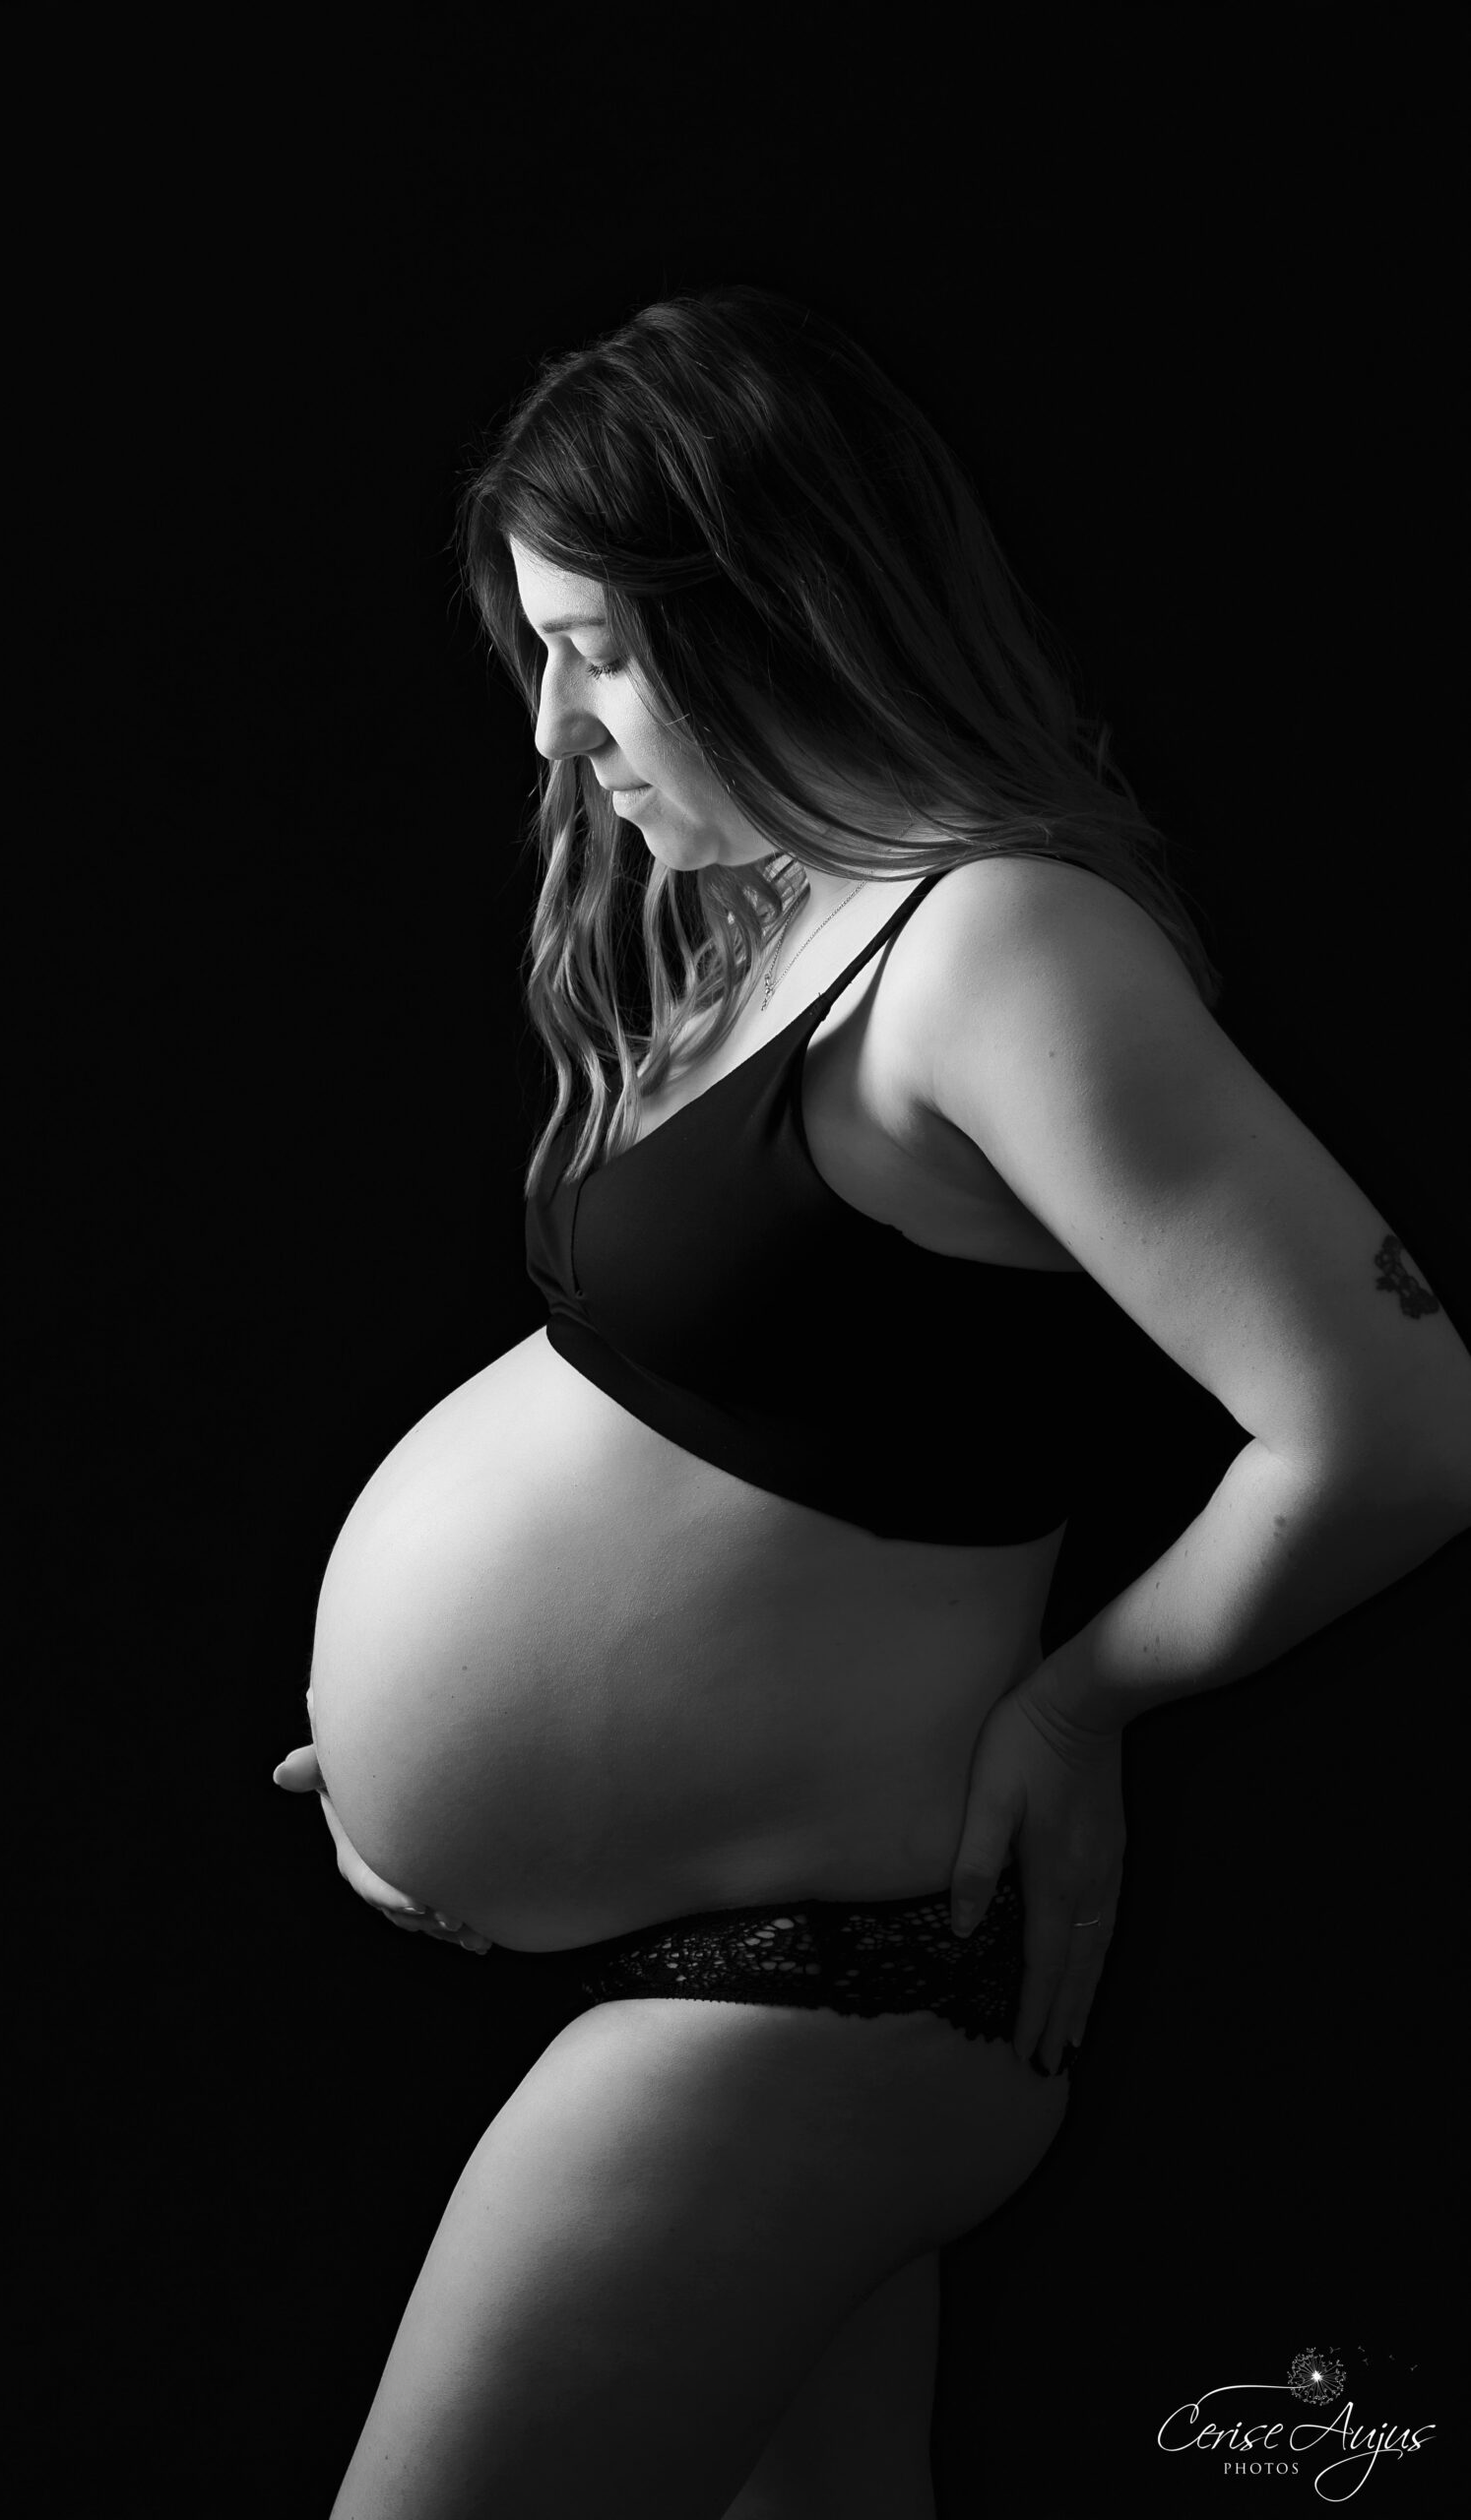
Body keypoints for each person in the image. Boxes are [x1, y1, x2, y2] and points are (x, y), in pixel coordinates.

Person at [272, 285, 1471, 2519]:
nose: (552, 729)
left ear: (783, 601)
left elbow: (1393, 1422)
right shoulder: (780, 928)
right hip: (749, 1957)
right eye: (532, 651)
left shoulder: (996, 939)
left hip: (837, 1977)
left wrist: (1078, 1702)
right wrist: (461, 1768)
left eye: (599, 650)